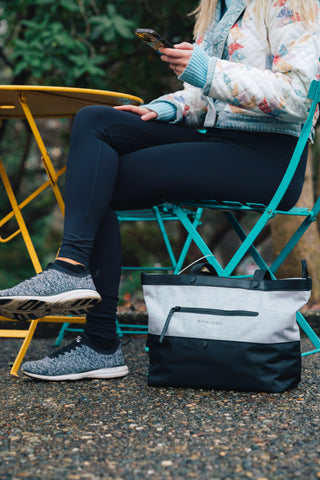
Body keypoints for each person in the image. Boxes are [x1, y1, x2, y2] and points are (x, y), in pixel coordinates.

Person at [1, 0, 319, 381]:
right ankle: (71, 270)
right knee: (96, 121)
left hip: (268, 157)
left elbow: (300, 97)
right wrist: (167, 108)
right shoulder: (216, 8)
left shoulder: (286, 3)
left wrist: (207, 69)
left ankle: (99, 341)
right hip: (217, 138)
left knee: (98, 182)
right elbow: (207, 99)